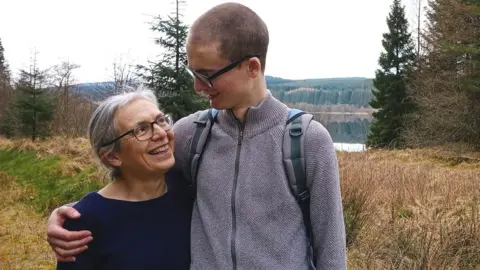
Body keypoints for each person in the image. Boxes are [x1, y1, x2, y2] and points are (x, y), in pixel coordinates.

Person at [46, 2, 347, 269]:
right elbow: (136, 175)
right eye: (193, 74)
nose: (198, 87)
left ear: (251, 67)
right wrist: (73, 214)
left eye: (206, 75)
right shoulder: (191, 134)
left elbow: (331, 248)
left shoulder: (306, 140)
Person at [55, 88, 192, 270]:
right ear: (112, 156)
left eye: (161, 120)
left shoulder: (188, 191)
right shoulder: (85, 220)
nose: (161, 133)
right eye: (141, 130)